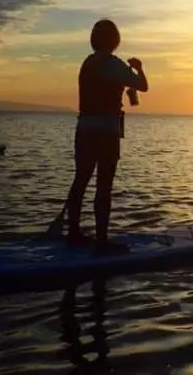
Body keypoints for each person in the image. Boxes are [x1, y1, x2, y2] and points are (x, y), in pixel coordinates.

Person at [66, 19, 148, 252]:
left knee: (80, 181)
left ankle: (73, 233)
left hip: (84, 128)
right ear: (114, 41)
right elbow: (142, 86)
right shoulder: (114, 64)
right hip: (106, 131)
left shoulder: (88, 63)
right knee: (104, 184)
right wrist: (139, 67)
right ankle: (101, 241)